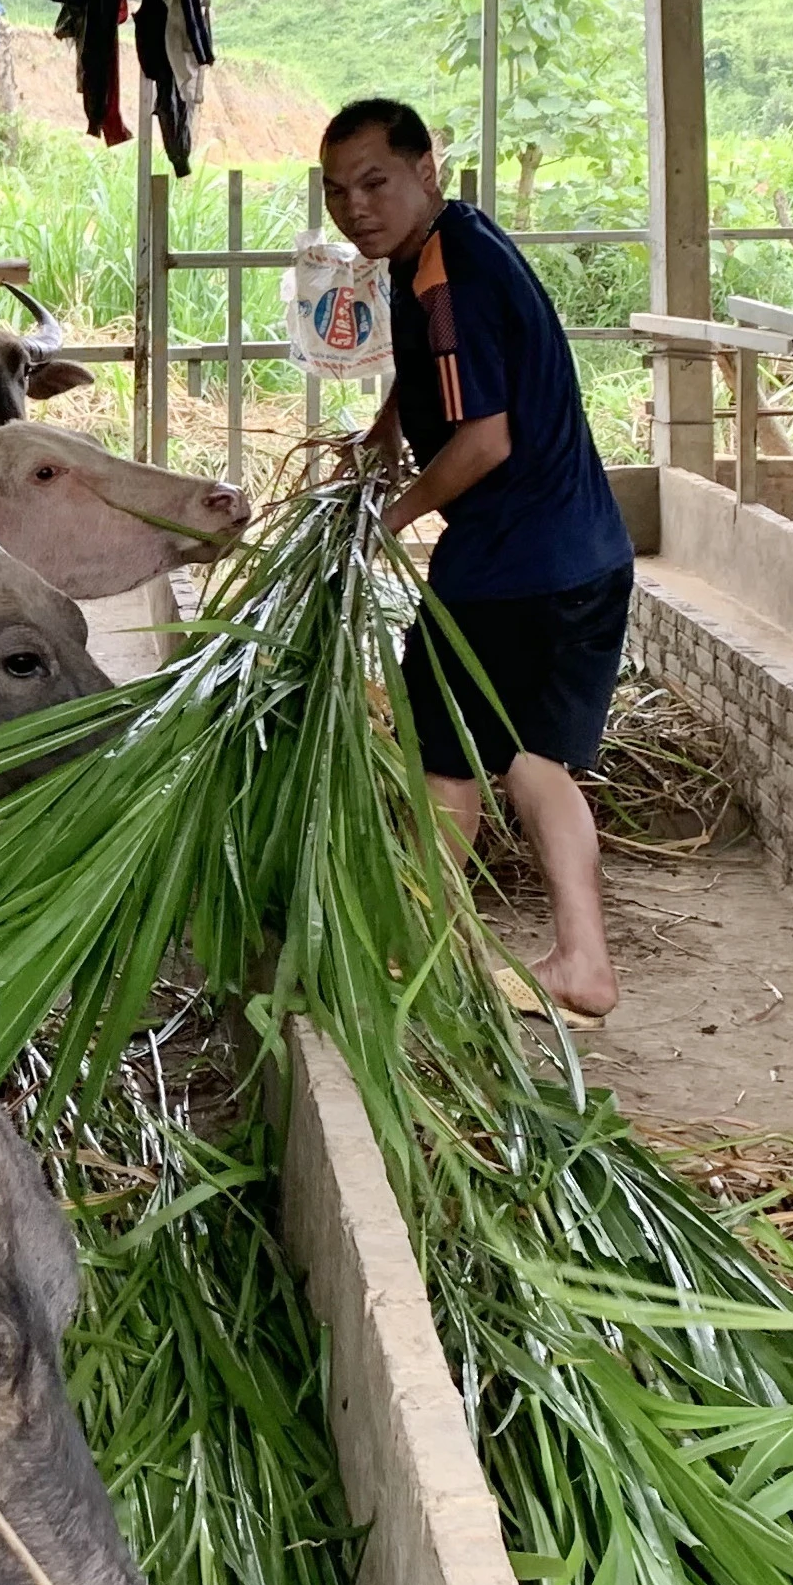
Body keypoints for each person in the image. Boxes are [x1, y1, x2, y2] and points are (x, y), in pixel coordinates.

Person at [320, 98, 635, 1020]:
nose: (355, 207)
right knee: (537, 763)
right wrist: (387, 429)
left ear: (428, 167)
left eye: (375, 182)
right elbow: (443, 378)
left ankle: (421, 949)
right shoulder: (454, 244)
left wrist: (394, 515)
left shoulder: (442, 280)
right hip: (589, 557)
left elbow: (484, 441)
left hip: (508, 567)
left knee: (444, 759)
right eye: (338, 192)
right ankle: (583, 962)